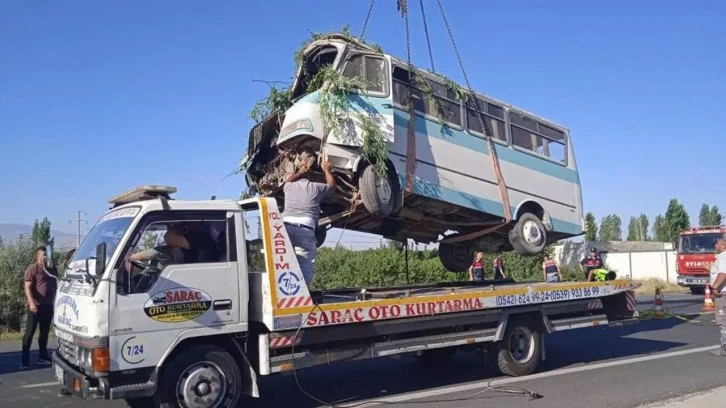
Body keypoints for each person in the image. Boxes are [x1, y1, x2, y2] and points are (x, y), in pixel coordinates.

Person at [281, 159, 336, 286]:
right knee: (305, 263)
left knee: (284, 262)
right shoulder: (315, 187)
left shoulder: (288, 187)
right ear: (312, 177)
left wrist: (300, 172)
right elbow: (332, 187)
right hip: (305, 229)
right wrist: (327, 170)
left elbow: (288, 180)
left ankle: (285, 290)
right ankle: (302, 293)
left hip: (285, 228)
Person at [21, 246, 58, 369]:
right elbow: (27, 287)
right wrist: (31, 302)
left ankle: (42, 357)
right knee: (30, 332)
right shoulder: (32, 269)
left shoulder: (52, 269)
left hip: (48, 305)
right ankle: (24, 361)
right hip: (35, 306)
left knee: (44, 332)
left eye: (47, 255)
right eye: (43, 255)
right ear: (38, 256)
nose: (46, 257)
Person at [707, 238, 726, 356]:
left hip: (723, 293)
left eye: (717, 244)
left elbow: (723, 273)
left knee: (723, 320)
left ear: (723, 245)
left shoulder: (724, 256)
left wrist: (714, 287)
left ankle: (724, 348)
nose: (715, 246)